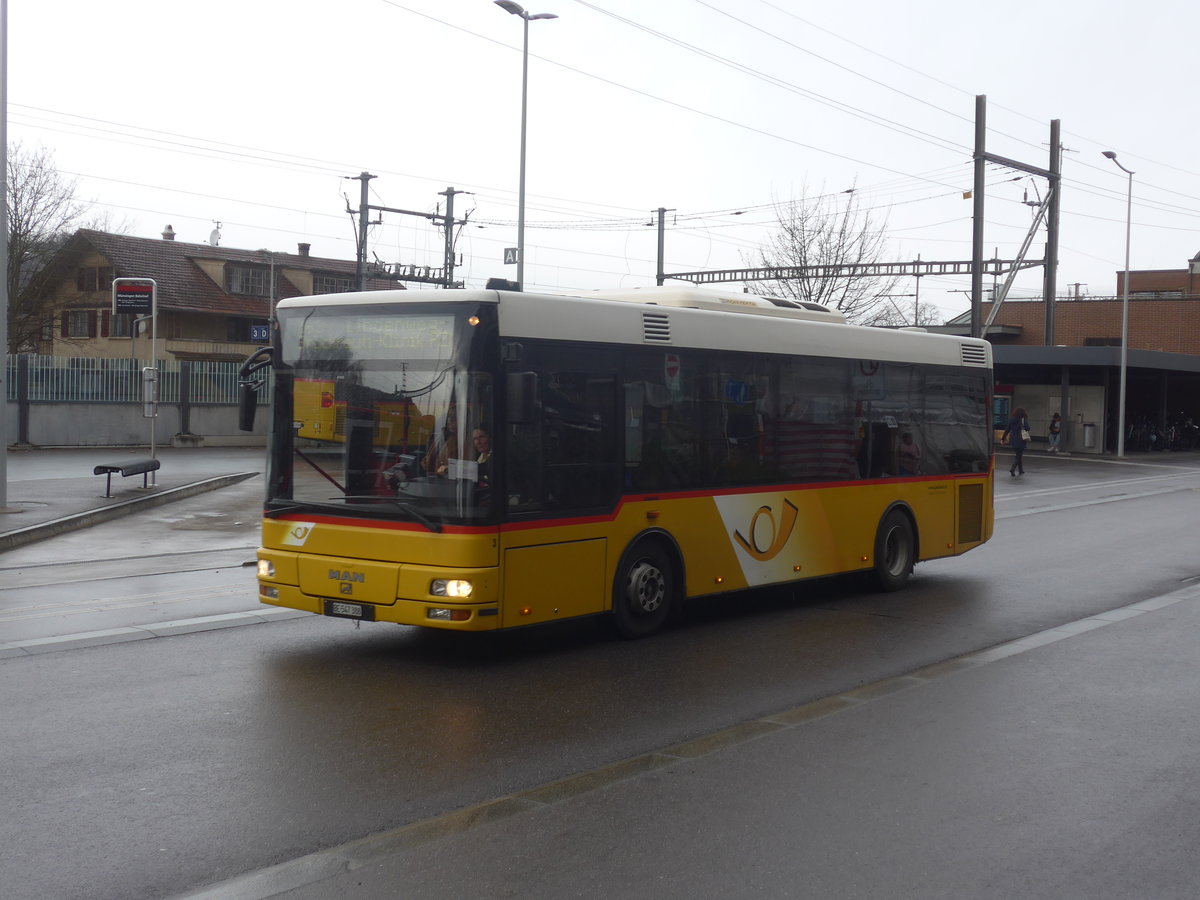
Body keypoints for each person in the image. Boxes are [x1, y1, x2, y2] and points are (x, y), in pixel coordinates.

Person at [1001, 406, 1031, 476]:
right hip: (1021, 439)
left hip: (1013, 439)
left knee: (1018, 454)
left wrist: (1003, 439)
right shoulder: (1023, 419)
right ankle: (1013, 468)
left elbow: (1007, 430)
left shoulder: (1012, 419)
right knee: (1019, 455)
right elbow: (1027, 428)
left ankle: (1021, 470)